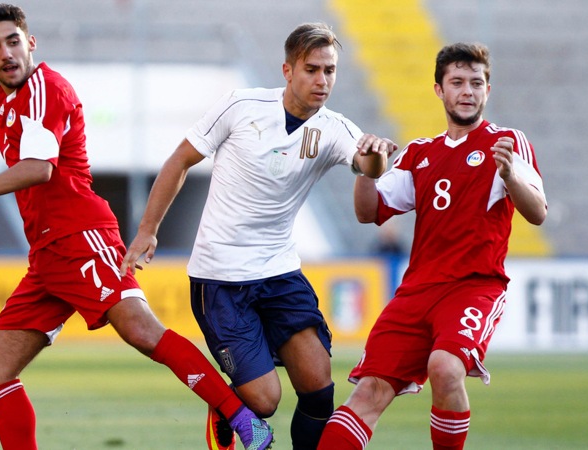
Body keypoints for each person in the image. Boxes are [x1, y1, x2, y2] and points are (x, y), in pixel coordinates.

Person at [0, 4, 273, 450]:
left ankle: (242, 419)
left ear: (30, 42)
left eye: (13, 41)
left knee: (142, 333)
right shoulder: (16, 96)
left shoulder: (46, 89)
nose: (6, 53)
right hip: (47, 255)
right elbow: (1, 107)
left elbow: (39, 169)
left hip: (81, 235)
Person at [120, 22, 397, 450]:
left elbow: (366, 167)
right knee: (265, 401)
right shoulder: (241, 105)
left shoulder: (336, 128)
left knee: (319, 385)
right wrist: (147, 231)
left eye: (330, 70)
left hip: (280, 272)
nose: (322, 80)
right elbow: (179, 160)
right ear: (287, 71)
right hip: (221, 278)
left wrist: (375, 159)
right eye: (312, 69)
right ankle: (226, 412)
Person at [317, 42, 547, 450]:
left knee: (444, 367)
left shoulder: (507, 143)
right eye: (457, 82)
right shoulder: (420, 153)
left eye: (476, 83)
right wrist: (365, 169)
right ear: (439, 90)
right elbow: (368, 213)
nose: (467, 91)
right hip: (417, 291)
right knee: (367, 392)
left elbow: (538, 213)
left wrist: (510, 177)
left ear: (487, 91)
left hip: (473, 286)